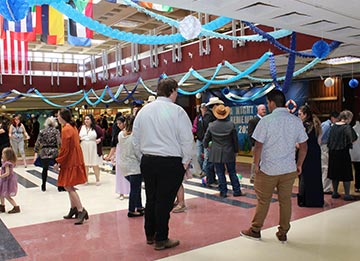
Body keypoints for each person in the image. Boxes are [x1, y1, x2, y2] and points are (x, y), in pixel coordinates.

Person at [133, 78, 193, 250]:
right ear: (172, 90)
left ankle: (149, 234)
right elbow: (186, 139)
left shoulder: (143, 111)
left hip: (148, 160)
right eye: (177, 92)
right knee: (164, 202)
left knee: (151, 198)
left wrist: (142, 157)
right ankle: (161, 238)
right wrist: (184, 162)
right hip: (170, 161)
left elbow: (135, 140)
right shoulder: (177, 111)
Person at [241, 90, 308, 243]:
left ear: (271, 102)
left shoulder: (266, 121)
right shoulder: (295, 121)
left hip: (268, 170)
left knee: (263, 201)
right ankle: (283, 232)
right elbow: (304, 147)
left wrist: (256, 165)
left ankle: (255, 230)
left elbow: (258, 146)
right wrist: (299, 165)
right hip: (288, 169)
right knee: (285, 201)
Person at [55, 109, 88, 225]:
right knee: (69, 185)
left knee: (68, 185)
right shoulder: (72, 127)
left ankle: (80, 209)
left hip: (70, 160)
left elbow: (65, 149)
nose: (57, 118)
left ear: (63, 117)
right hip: (75, 158)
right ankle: (73, 208)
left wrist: (59, 161)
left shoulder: (66, 129)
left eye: (58, 116)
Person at [204, 104, 245, 198]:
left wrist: (207, 147)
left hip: (216, 153)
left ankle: (223, 192)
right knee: (232, 172)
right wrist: (236, 151)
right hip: (229, 152)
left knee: (220, 173)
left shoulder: (211, 125)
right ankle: (237, 191)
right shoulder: (231, 125)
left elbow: (206, 139)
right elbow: (235, 140)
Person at [297, 105, 324, 207]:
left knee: (304, 176)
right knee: (316, 176)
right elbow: (319, 140)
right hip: (315, 152)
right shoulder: (315, 124)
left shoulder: (303, 125)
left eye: (300, 114)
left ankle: (304, 200)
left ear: (305, 115)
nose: (298, 116)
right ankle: (316, 200)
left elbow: (300, 142)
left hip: (305, 152)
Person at [327, 110, 358, 201]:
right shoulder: (346, 127)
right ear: (348, 118)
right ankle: (347, 194)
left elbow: (330, 139)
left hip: (332, 152)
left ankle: (335, 192)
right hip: (343, 152)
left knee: (334, 173)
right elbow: (353, 138)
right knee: (346, 174)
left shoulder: (333, 126)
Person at [118, 115, 144, 217]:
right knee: (135, 188)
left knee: (136, 187)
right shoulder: (135, 137)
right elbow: (137, 152)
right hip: (134, 166)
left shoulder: (121, 134)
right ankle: (132, 210)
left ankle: (139, 206)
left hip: (123, 165)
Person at [33, 116, 61, 191]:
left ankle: (43, 185)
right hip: (54, 150)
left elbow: (38, 142)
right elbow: (59, 142)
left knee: (45, 169)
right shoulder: (56, 131)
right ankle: (60, 185)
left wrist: (36, 152)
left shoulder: (42, 131)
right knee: (59, 168)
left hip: (44, 151)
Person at [203, 97, 224, 187]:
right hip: (211, 142)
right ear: (215, 105)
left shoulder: (210, 114)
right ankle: (210, 180)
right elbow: (208, 129)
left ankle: (212, 179)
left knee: (211, 161)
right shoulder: (209, 115)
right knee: (210, 162)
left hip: (212, 141)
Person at [79, 114, 104, 185]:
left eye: (88, 119)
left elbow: (102, 135)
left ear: (91, 120)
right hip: (83, 146)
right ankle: (85, 179)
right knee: (85, 164)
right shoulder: (81, 127)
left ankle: (97, 179)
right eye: (85, 119)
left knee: (95, 163)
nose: (86, 121)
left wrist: (99, 139)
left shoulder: (96, 128)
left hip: (93, 147)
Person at [320, 111, 339, 194]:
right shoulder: (326, 125)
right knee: (326, 167)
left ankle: (325, 187)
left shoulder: (329, 125)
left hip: (326, 146)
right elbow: (320, 136)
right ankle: (325, 188)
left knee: (325, 168)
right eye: (337, 119)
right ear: (333, 118)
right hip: (324, 146)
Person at [247, 104, 267, 184]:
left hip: (266, 146)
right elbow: (250, 134)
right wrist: (256, 143)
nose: (264, 110)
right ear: (258, 111)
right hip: (256, 146)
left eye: (265, 109)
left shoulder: (267, 120)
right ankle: (253, 177)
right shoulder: (253, 121)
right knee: (256, 161)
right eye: (262, 109)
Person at [0, 147, 20, 214]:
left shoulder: (7, 163)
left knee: (6, 195)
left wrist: (0, 176)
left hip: (7, 181)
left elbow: (7, 173)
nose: (2, 154)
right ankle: (2, 206)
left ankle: (16, 207)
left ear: (7, 155)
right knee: (1, 193)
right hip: (5, 180)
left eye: (3, 153)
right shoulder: (6, 162)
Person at [193, 103, 207, 177]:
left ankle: (204, 171)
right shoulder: (198, 118)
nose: (203, 109)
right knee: (198, 155)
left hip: (206, 139)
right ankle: (201, 169)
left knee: (206, 156)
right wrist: (194, 133)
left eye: (205, 108)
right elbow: (194, 127)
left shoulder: (208, 117)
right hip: (199, 138)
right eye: (202, 108)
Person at [350, 113, 360, 193]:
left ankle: (357, 186)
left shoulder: (353, 128)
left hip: (354, 153)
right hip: (357, 152)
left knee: (357, 170)